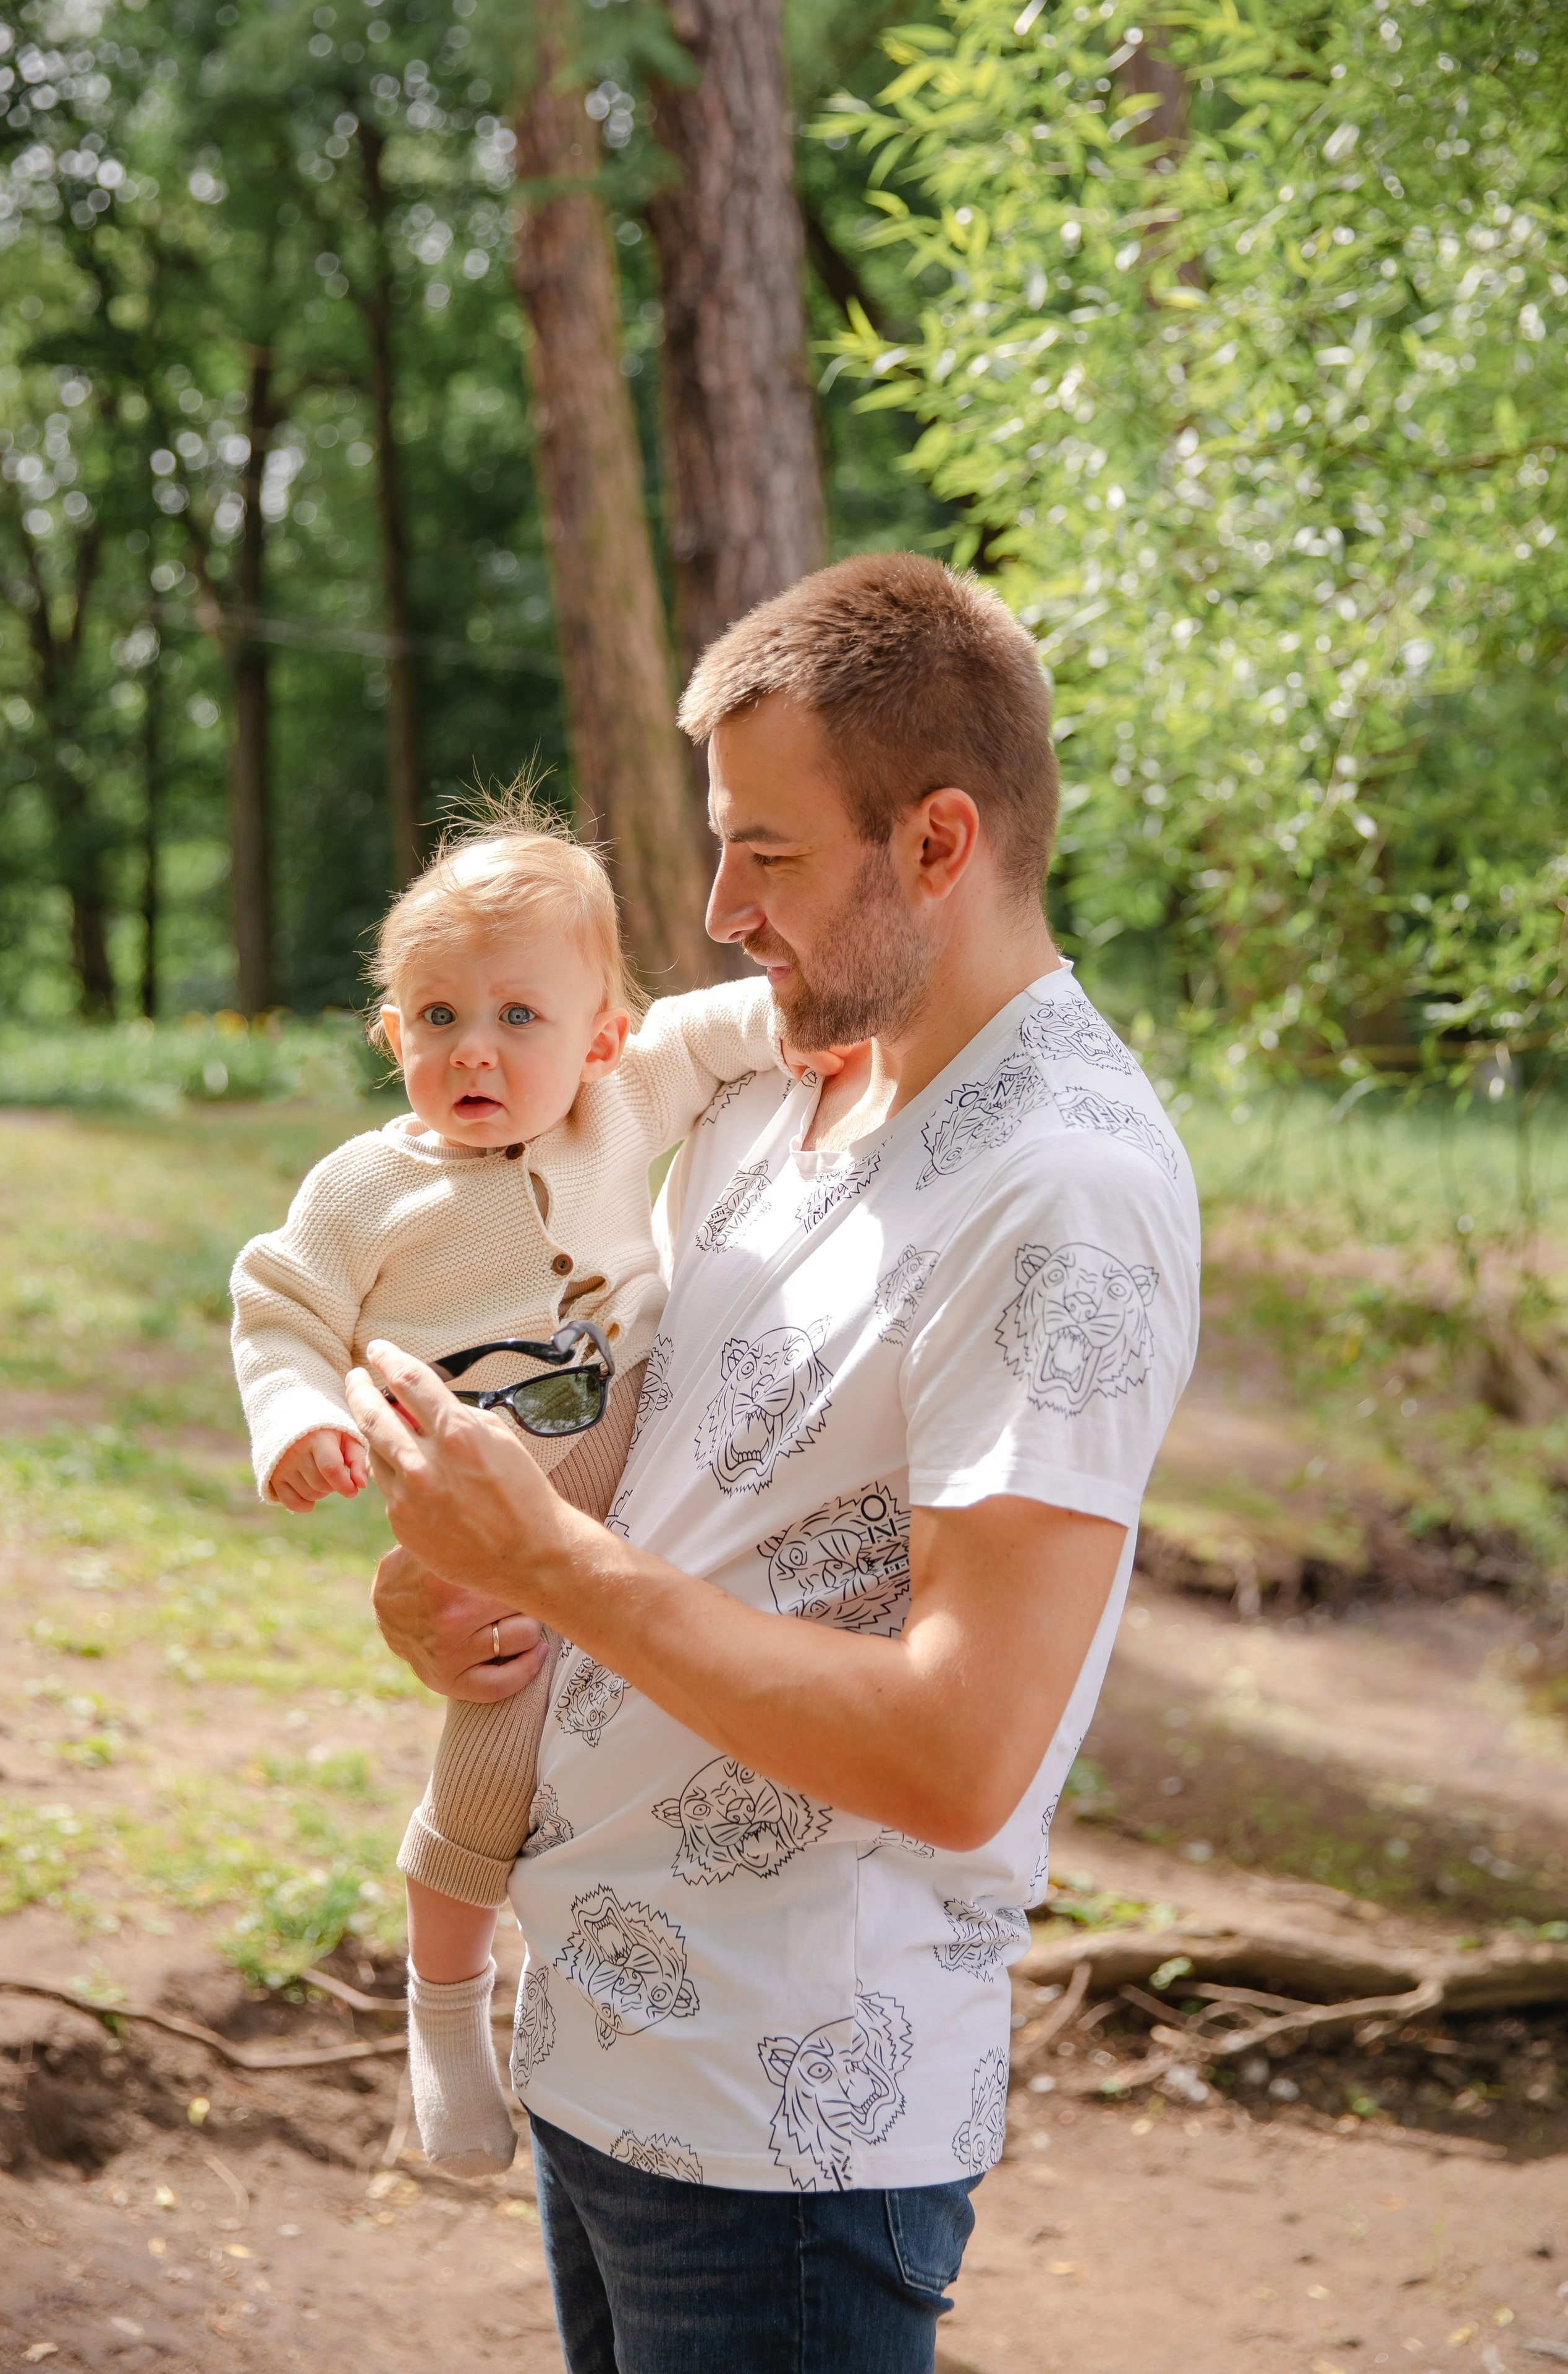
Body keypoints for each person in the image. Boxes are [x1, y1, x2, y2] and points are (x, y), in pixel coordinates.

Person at [344, 553, 1202, 2374]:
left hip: (785, 2129)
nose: (720, 911)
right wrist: (481, 1585)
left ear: (941, 843)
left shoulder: (1064, 1191)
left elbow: (962, 1752)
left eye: (772, 854)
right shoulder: (781, 1086)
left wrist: (569, 1575)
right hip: (596, 2032)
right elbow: (677, 1497)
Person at [229, 797, 805, 2174]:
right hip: (485, 1527)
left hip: (634, 1496)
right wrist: (297, 1421)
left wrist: (805, 1033)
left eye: (517, 1017)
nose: (472, 1048)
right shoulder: (367, 1188)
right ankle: (442, 2013)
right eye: (434, 1018)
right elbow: (278, 1308)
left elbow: (712, 1028)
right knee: (488, 1754)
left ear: (599, 1034)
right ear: (392, 1036)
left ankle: (585, 1980)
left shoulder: (615, 1108)